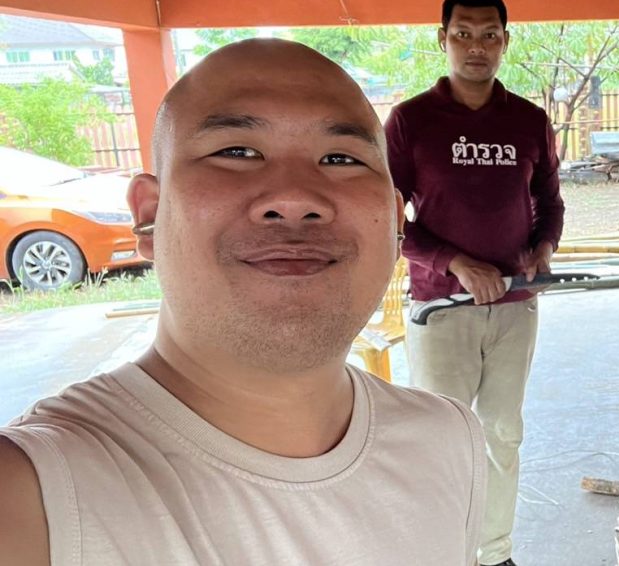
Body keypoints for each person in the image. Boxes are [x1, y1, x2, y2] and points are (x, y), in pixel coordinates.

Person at [0, 39, 485, 566]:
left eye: (340, 158)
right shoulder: (38, 493)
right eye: (236, 152)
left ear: (394, 221)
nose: (295, 199)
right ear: (150, 214)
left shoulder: (447, 439)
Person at [385, 0, 564, 566]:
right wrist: (455, 264)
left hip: (515, 305)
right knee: (442, 437)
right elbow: (385, 220)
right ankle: (443, 552)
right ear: (443, 39)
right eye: (463, 34)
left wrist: (542, 248)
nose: (476, 47)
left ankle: (495, 552)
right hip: (442, 309)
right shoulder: (411, 121)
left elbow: (549, 202)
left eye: (489, 35)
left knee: (502, 434)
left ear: (505, 41)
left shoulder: (529, 120)